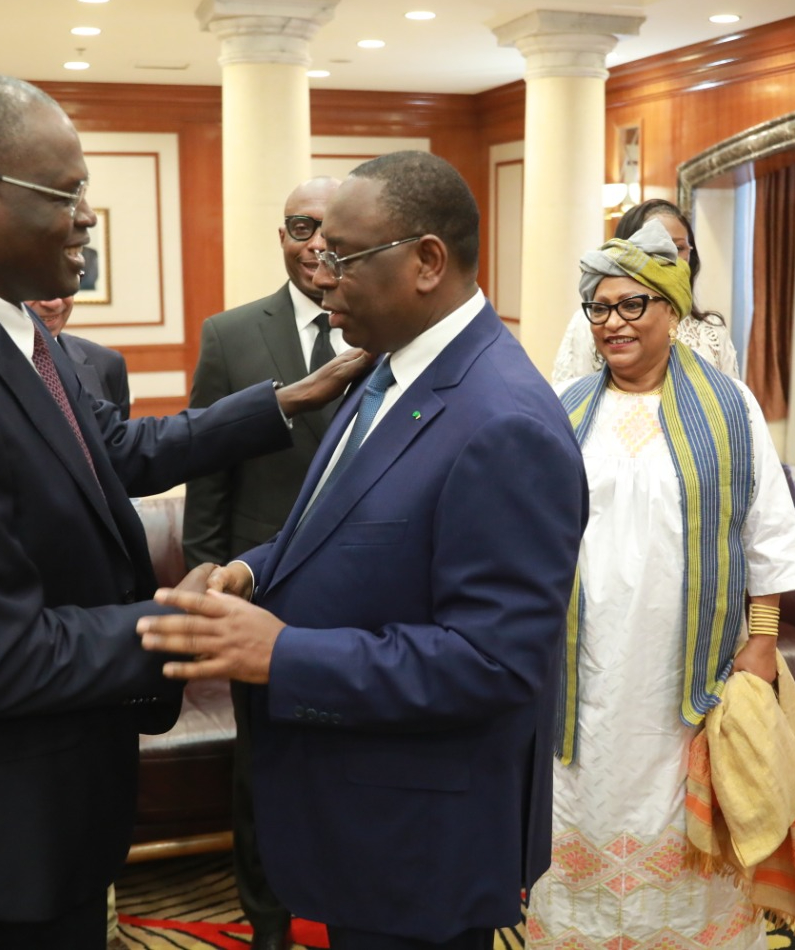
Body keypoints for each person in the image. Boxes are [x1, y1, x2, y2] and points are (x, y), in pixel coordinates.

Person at [0, 73, 362, 949]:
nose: (87, 217)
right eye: (68, 193)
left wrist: (291, 399)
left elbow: (116, 454)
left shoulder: (7, 329)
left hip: (56, 782)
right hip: (2, 811)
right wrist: (194, 623)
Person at [138, 150, 589, 950]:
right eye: (315, 255)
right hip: (361, 806)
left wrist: (283, 654)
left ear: (426, 261)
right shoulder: (385, 372)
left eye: (342, 257)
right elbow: (333, 524)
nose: (322, 278)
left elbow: (495, 662)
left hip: (422, 836)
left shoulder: (503, 421)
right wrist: (250, 572)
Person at [525, 221, 795, 950]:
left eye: (633, 306)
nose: (612, 323)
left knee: (685, 822)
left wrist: (764, 640)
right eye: (599, 308)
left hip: (690, 671)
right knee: (582, 793)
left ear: (673, 312)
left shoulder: (730, 406)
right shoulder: (565, 410)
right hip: (583, 667)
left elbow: (767, 532)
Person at [181, 174, 344, 950]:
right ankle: (269, 923)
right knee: (263, 774)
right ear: (280, 236)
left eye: (330, 227)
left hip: (364, 599)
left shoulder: (391, 329)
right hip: (260, 592)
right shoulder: (232, 333)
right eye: (299, 226)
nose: (316, 242)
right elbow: (209, 473)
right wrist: (206, 577)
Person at [550, 198, 739, 382]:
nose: (669, 257)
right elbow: (571, 397)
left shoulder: (711, 330)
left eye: (678, 247)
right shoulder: (591, 324)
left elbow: (732, 399)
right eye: (657, 248)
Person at [28, 294, 132, 417]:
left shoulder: (107, 364)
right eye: (35, 285)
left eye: (64, 283)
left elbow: (116, 434)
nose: (54, 303)